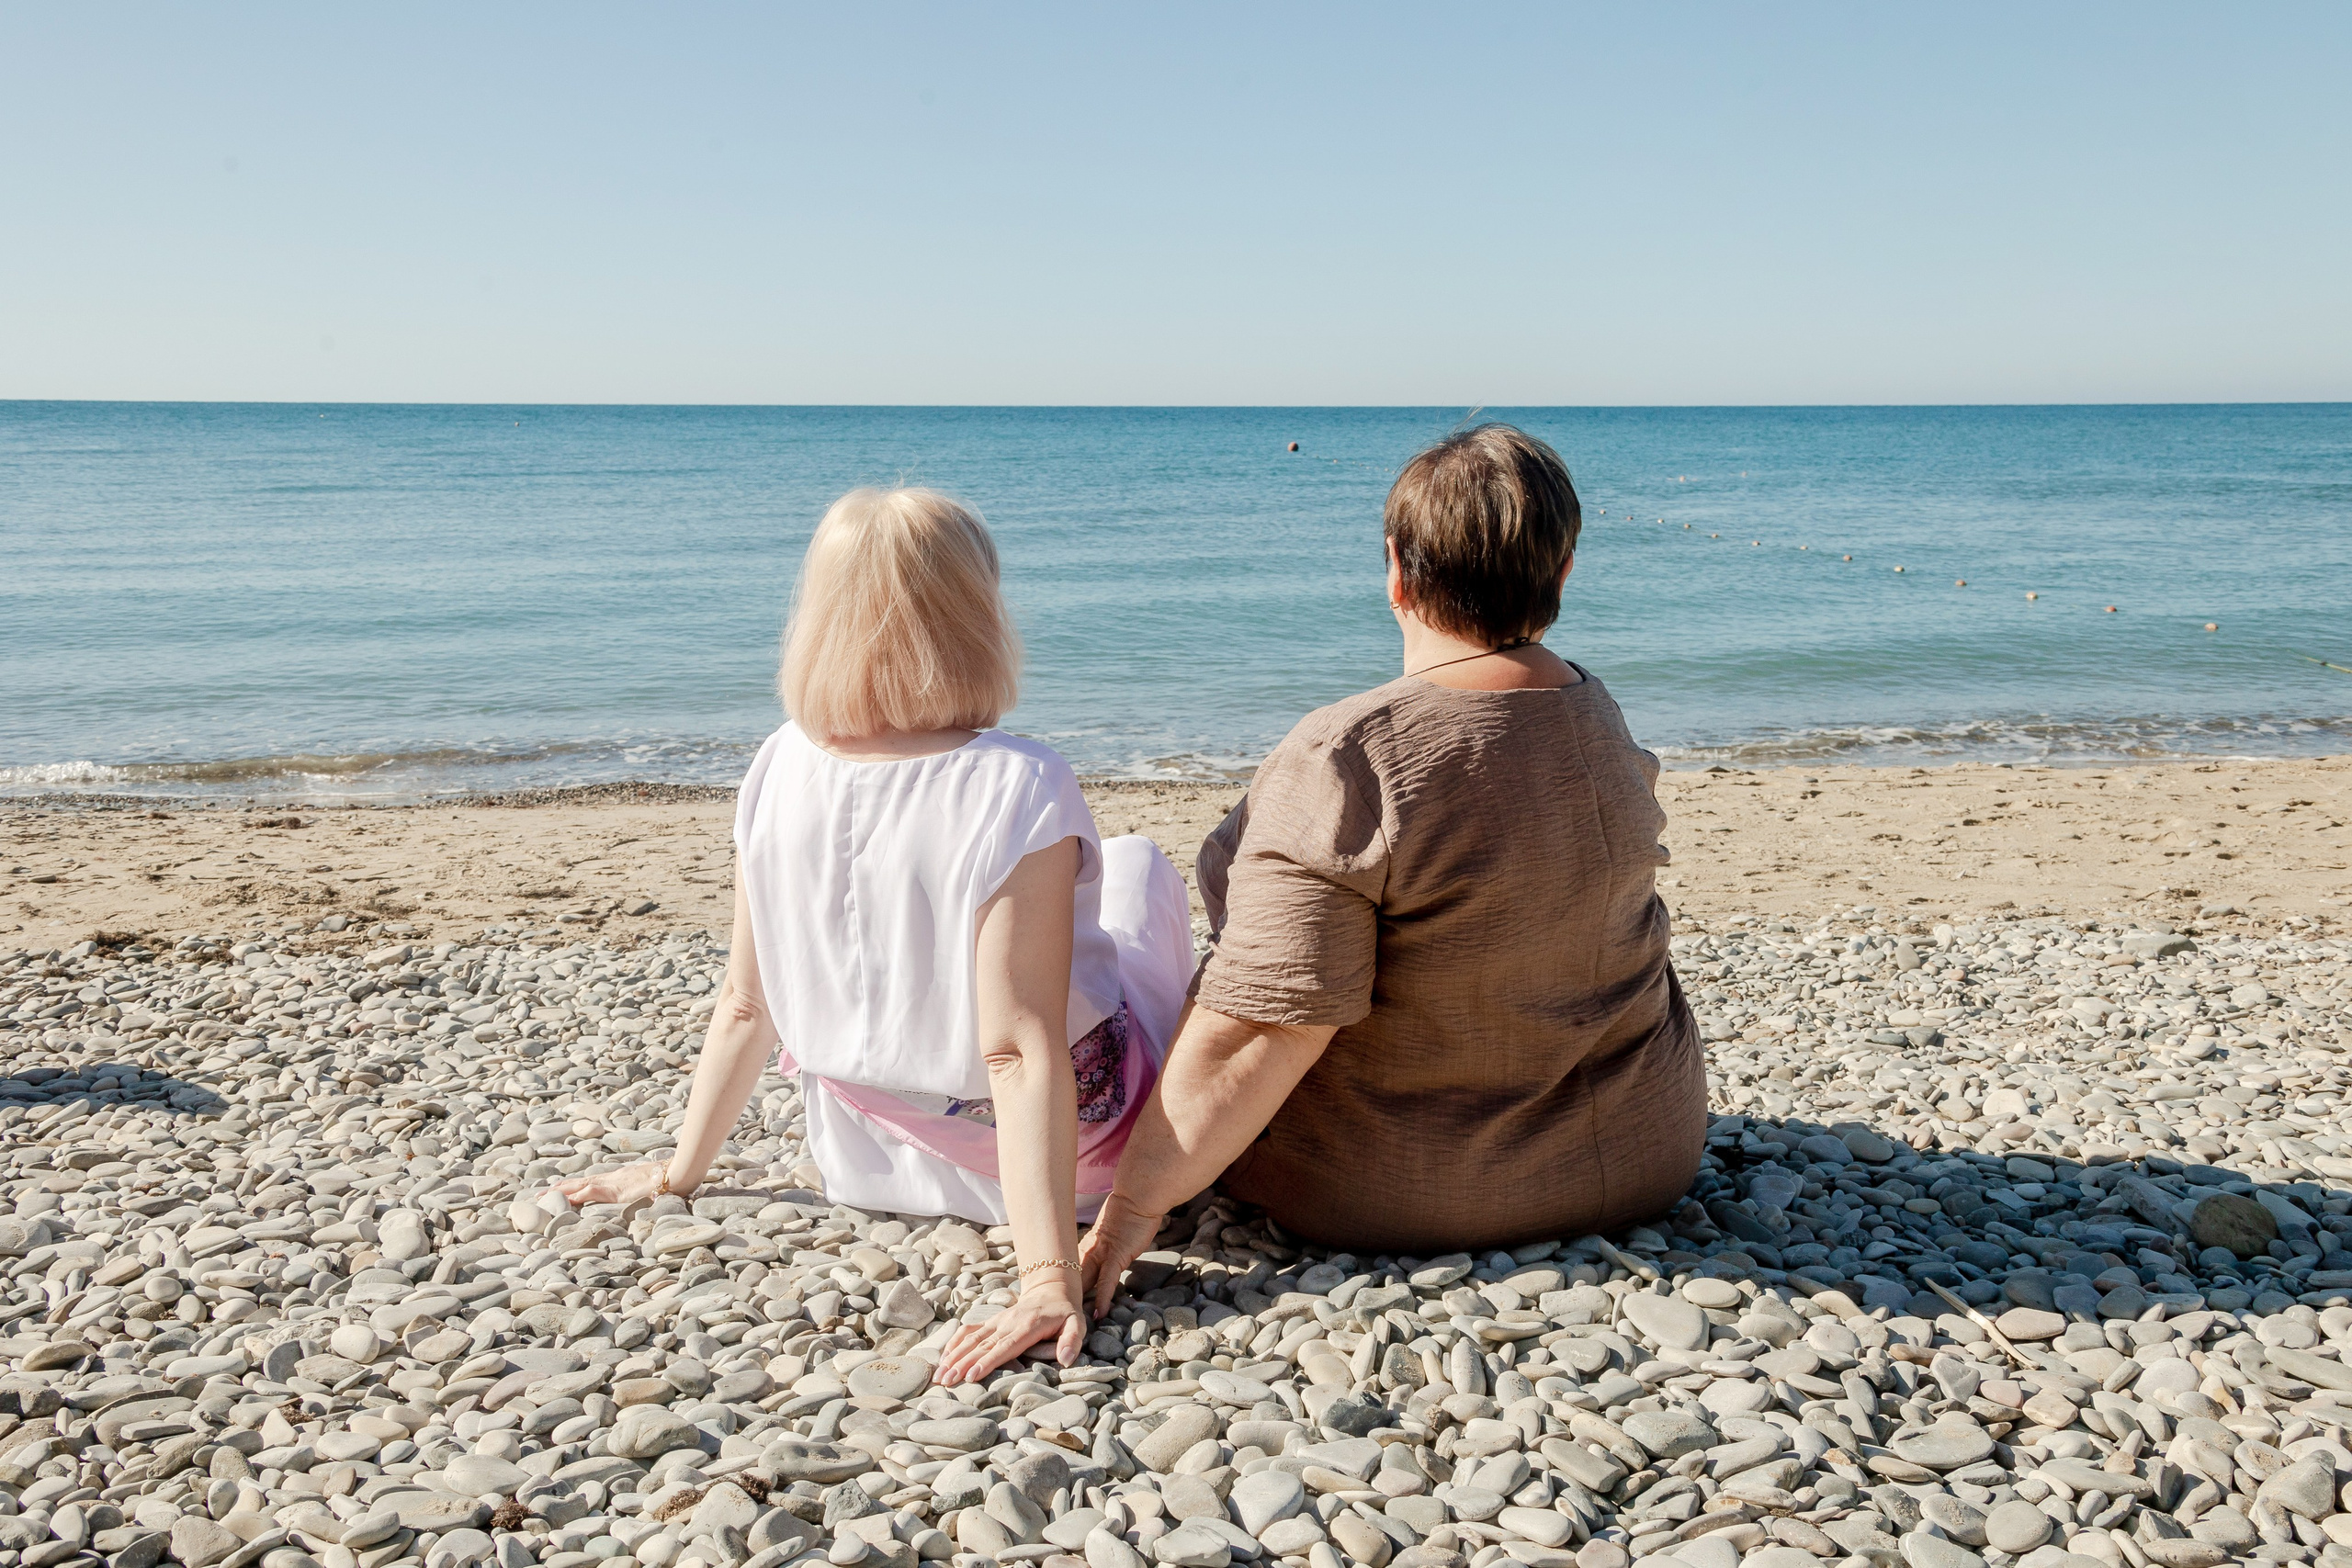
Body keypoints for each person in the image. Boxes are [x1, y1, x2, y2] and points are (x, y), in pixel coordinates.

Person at [548, 487, 1193, 1385]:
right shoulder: (1018, 783)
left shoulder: (777, 762)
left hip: (865, 1156)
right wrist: (1046, 1278)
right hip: (1079, 1162)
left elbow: (747, 1002)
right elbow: (1015, 1049)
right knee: (1138, 868)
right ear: (978, 612)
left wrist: (679, 1170)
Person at [1080, 424, 1704, 1305]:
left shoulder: (1351, 754)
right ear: (1562, 574)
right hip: (1646, 1152)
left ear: (1396, 573)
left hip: (1394, 1191)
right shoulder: (1599, 716)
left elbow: (1269, 1022)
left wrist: (1134, 1205)